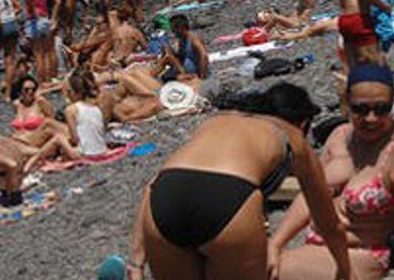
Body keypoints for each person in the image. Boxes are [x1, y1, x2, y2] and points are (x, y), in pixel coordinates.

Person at [128, 81, 353, 280]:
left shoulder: (217, 123)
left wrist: (136, 264)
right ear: (303, 123)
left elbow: (152, 186)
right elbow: (328, 222)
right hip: (228, 196)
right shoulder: (293, 138)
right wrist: (344, 270)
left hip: (166, 197)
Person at [272, 65, 394, 279]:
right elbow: (312, 196)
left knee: (262, 272)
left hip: (360, 254)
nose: (371, 118)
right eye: (360, 109)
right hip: (316, 247)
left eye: (381, 109)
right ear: (347, 103)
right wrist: (275, 244)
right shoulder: (340, 137)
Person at [63, 69, 108, 157]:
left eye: (69, 91)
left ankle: (31, 163)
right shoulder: (96, 107)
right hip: (102, 149)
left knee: (58, 139)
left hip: (84, 153)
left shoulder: (70, 109)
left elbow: (75, 140)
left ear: (75, 93)